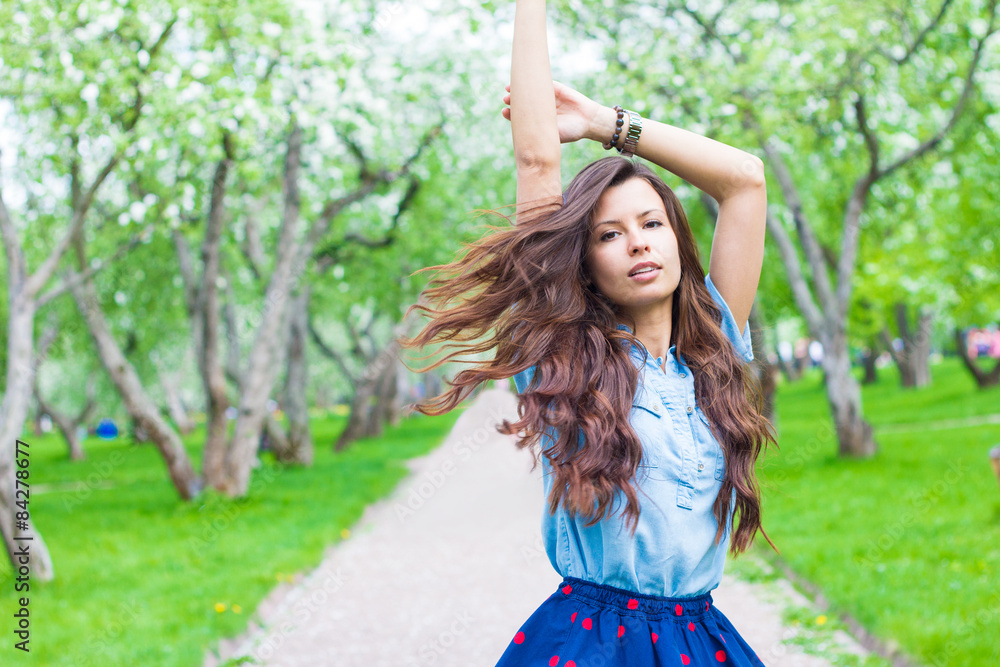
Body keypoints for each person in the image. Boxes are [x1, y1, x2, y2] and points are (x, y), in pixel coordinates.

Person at [400, 0, 776, 664]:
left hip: (701, 636)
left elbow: (744, 180)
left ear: (679, 241)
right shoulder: (562, 353)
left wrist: (607, 124)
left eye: (652, 223)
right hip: (592, 641)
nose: (638, 243)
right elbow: (538, 164)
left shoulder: (713, 345)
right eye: (609, 233)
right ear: (586, 263)